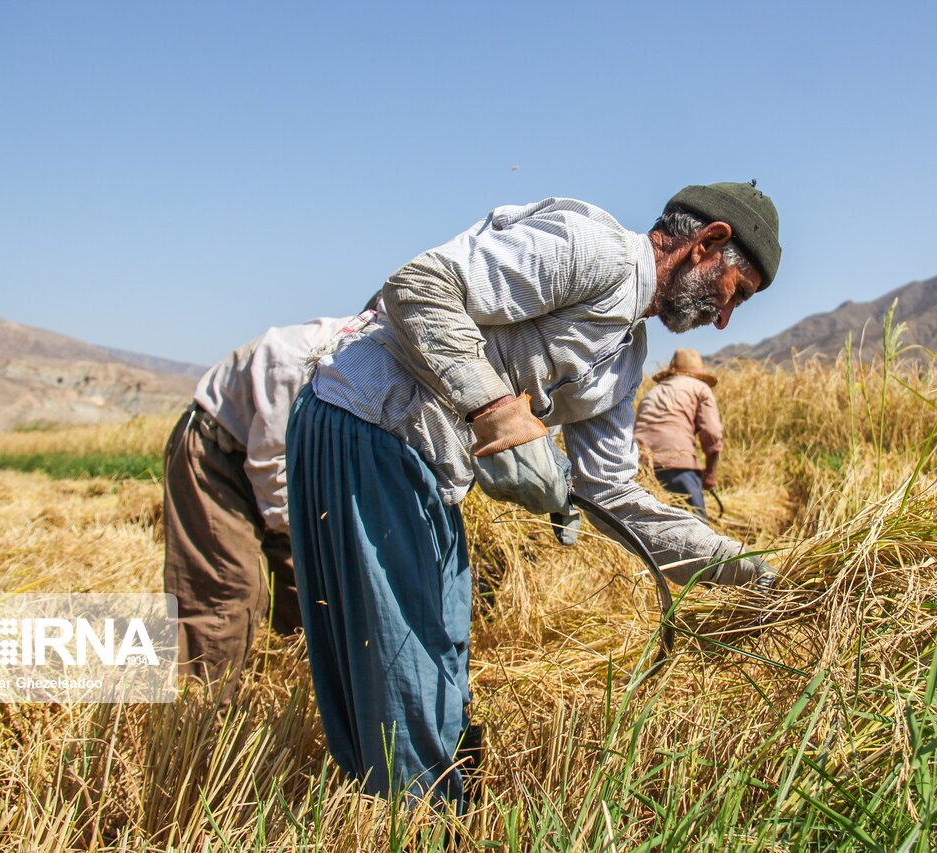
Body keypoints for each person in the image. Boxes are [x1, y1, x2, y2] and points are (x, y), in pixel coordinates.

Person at [286, 181, 782, 807]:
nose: (725, 316)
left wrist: (737, 566)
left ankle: (434, 804)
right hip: (369, 423)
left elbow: (609, 488)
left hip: (427, 464)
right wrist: (495, 409)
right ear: (708, 244)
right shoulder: (592, 245)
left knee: (443, 648)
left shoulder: (627, 356)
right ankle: (412, 822)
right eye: (735, 291)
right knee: (404, 668)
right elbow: (417, 287)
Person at [163, 309, 374, 702]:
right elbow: (271, 460)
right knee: (228, 589)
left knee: (314, 594)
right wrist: (314, 541)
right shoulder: (302, 359)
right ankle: (201, 715)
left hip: (292, 466)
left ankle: (305, 701)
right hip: (217, 450)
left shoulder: (378, 370)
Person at [634, 349, 724, 519]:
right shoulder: (700, 388)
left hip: (641, 465)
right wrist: (711, 472)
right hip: (677, 463)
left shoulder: (654, 392)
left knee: (649, 525)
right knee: (695, 528)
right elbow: (712, 432)